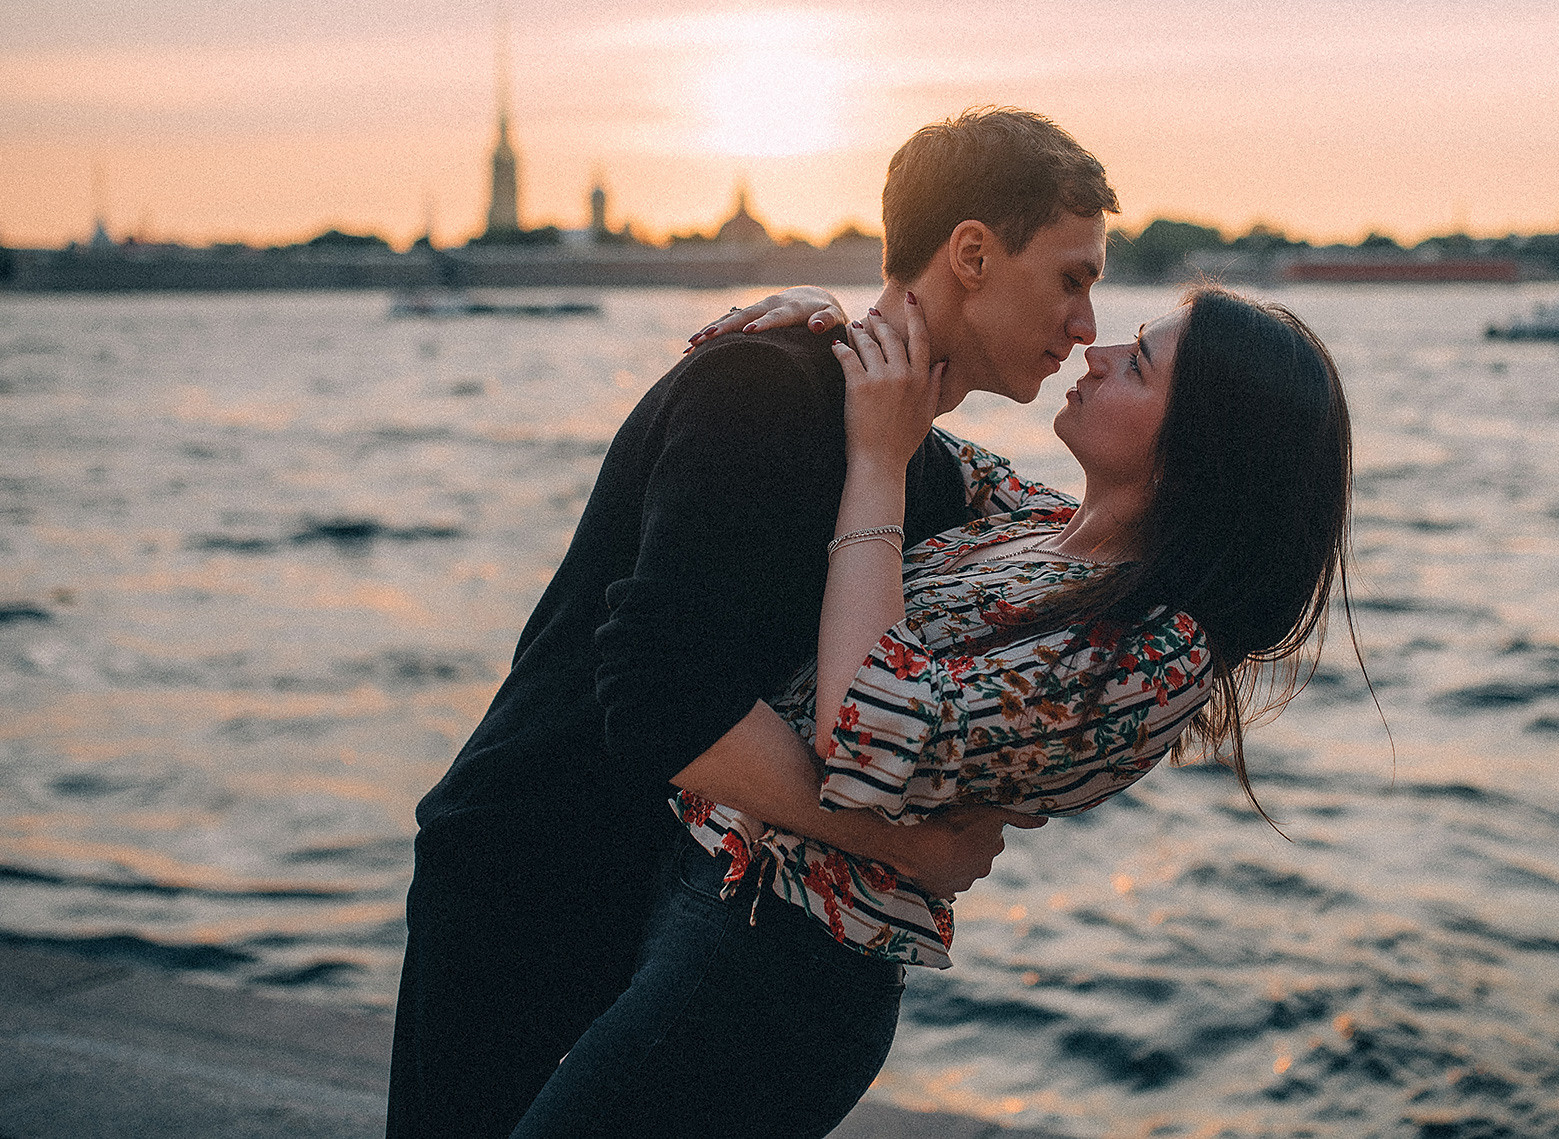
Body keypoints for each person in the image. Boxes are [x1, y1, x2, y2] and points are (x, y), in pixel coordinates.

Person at [386, 107, 1121, 1138]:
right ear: (968, 254)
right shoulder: (762, 390)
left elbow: (1064, 540)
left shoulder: (920, 468)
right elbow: (658, 701)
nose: (1086, 323)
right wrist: (904, 848)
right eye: (1072, 277)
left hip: (656, 902)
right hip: (524, 879)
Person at [507, 282, 1357, 1137]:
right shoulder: (1036, 521)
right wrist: (826, 333)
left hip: (780, 967)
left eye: (1136, 364)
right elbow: (894, 413)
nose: (1096, 354)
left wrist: (879, 469)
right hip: (706, 884)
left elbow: (863, 725)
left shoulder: (1157, 651)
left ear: (1203, 446)